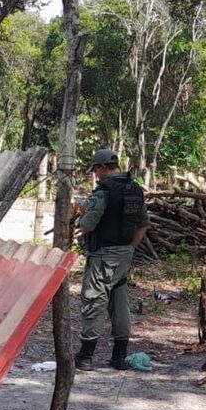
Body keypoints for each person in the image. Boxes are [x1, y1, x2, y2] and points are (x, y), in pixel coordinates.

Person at [73, 148, 151, 371]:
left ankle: (86, 357)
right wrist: (129, 248)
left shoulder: (103, 192)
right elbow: (144, 224)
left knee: (93, 301)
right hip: (124, 255)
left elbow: (87, 226)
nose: (96, 175)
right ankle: (118, 357)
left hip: (102, 256)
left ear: (103, 167)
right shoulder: (135, 189)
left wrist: (83, 210)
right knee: (119, 302)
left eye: (96, 170)